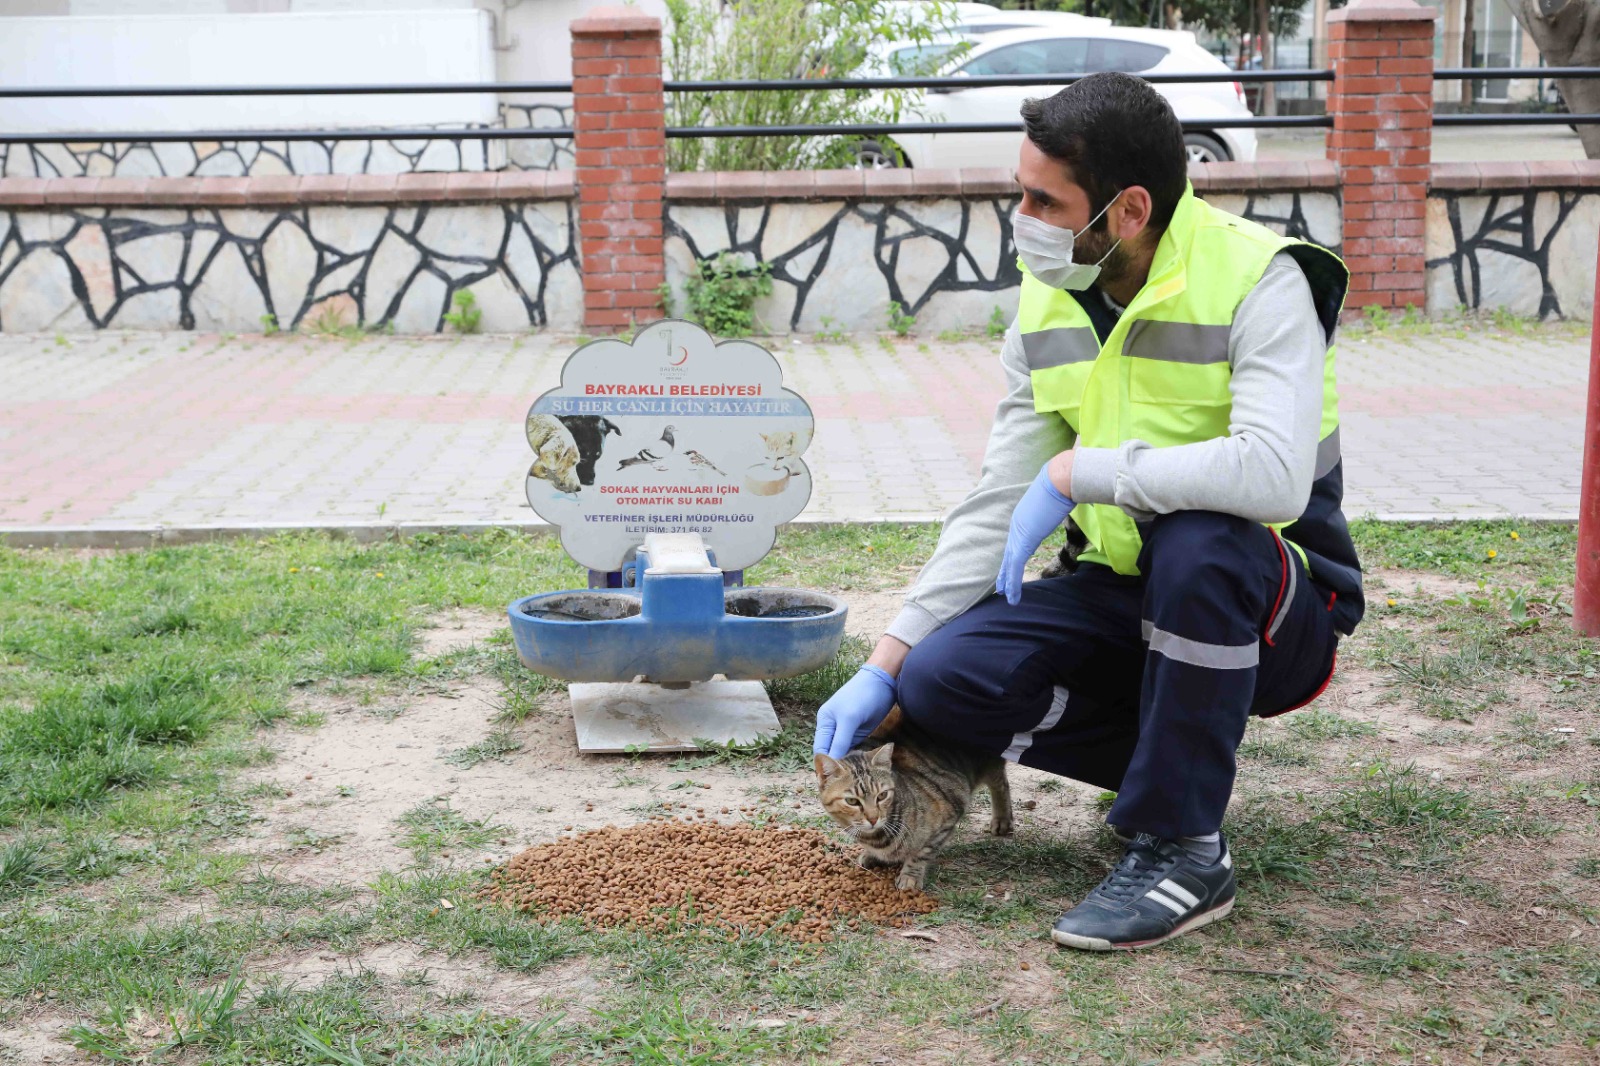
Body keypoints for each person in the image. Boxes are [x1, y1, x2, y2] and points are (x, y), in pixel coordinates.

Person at [812, 71, 1362, 952]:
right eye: (1019, 190)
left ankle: (1184, 845)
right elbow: (999, 494)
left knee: (1200, 542)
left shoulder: (1263, 279)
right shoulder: (1050, 297)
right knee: (942, 680)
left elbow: (1272, 480)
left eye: (1044, 199)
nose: (1019, 215)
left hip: (1274, 609)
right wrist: (888, 656)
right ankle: (1179, 750)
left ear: (1129, 210)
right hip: (1127, 593)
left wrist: (1079, 473)